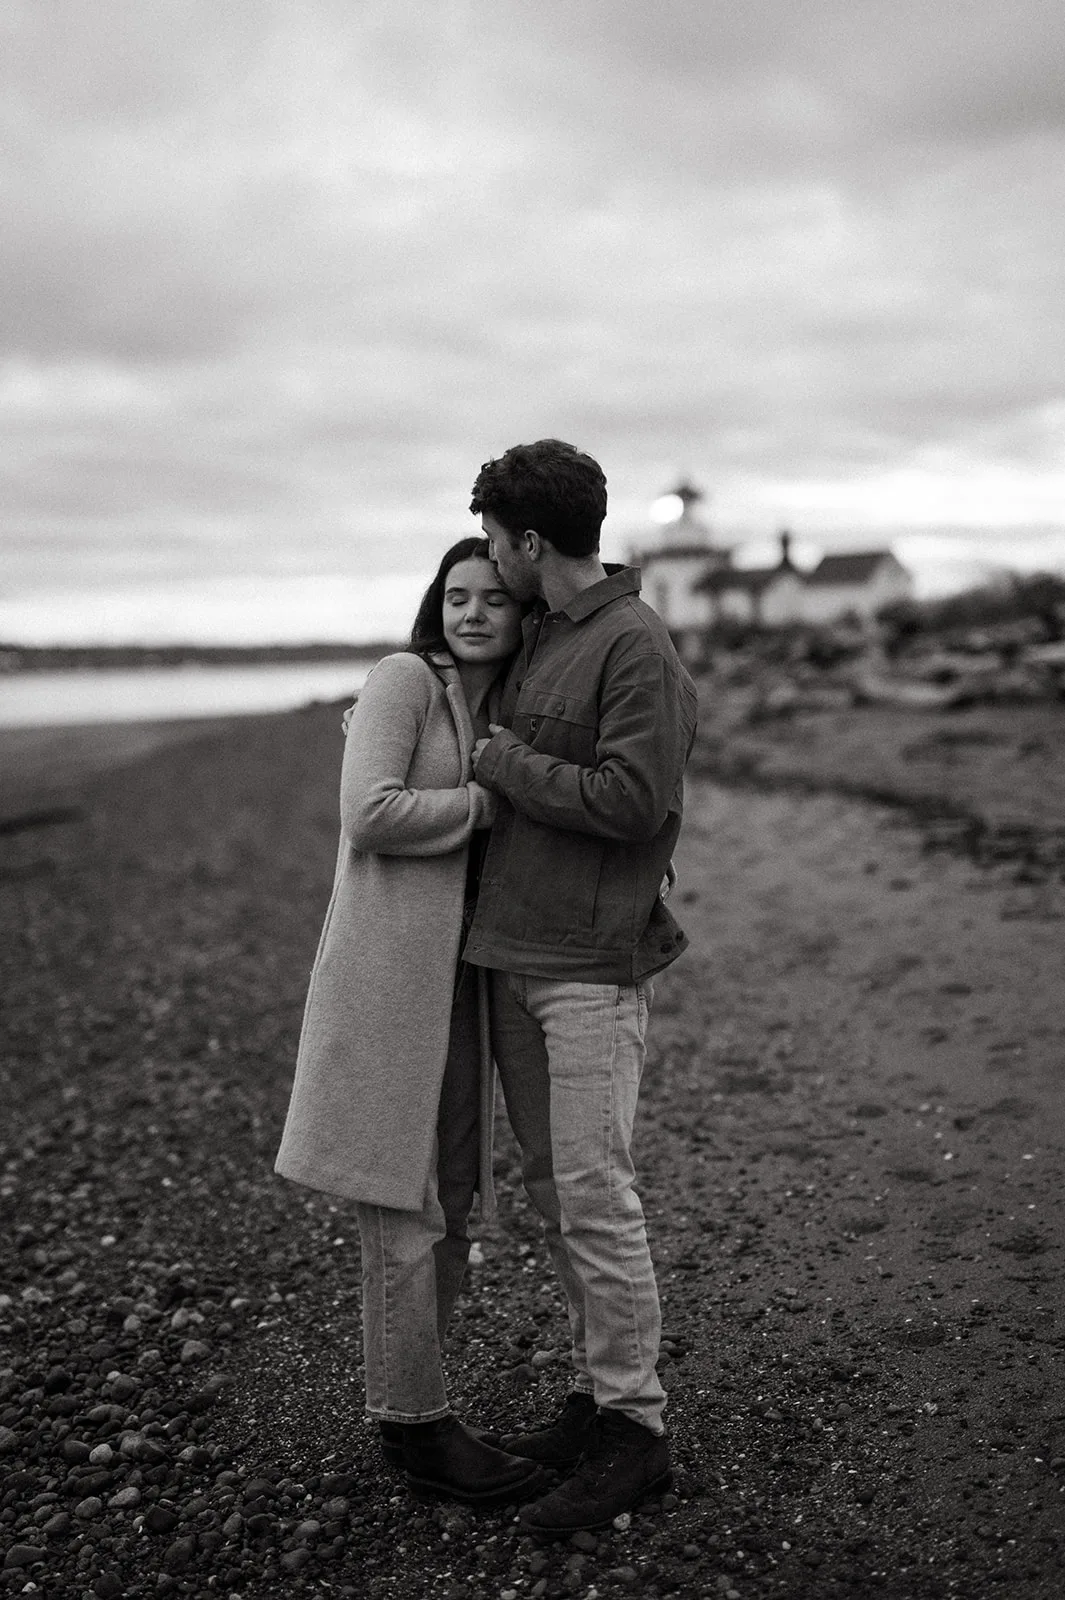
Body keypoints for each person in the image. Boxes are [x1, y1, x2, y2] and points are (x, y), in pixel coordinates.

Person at [274, 537, 546, 1506]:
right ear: (438, 604)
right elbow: (371, 812)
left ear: (522, 613)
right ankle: (416, 1424)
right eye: (456, 595)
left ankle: (414, 1400)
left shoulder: (503, 706)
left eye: (493, 599)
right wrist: (488, 803)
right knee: (402, 1196)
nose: (472, 612)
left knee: (455, 1195)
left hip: (462, 981)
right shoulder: (403, 679)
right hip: (389, 980)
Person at [462, 439, 699, 1535]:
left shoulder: (634, 643)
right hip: (513, 954)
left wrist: (504, 761)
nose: (490, 559)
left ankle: (637, 1432)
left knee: (597, 1198)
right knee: (559, 1199)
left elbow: (635, 801)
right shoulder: (546, 633)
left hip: (591, 971)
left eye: (495, 541)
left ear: (529, 540)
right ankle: (597, 1397)